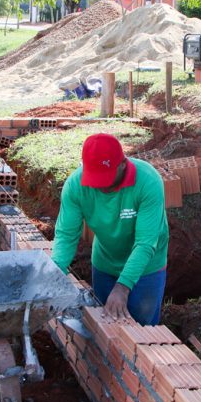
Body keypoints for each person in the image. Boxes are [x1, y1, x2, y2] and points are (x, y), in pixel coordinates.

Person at [51, 134, 169, 325]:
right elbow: (66, 235)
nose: (99, 186)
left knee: (141, 328)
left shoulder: (148, 182)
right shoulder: (75, 185)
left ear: (122, 163)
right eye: (94, 178)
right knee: (104, 326)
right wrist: (54, 272)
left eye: (104, 178)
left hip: (147, 268)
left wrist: (123, 286)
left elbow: (145, 243)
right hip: (105, 264)